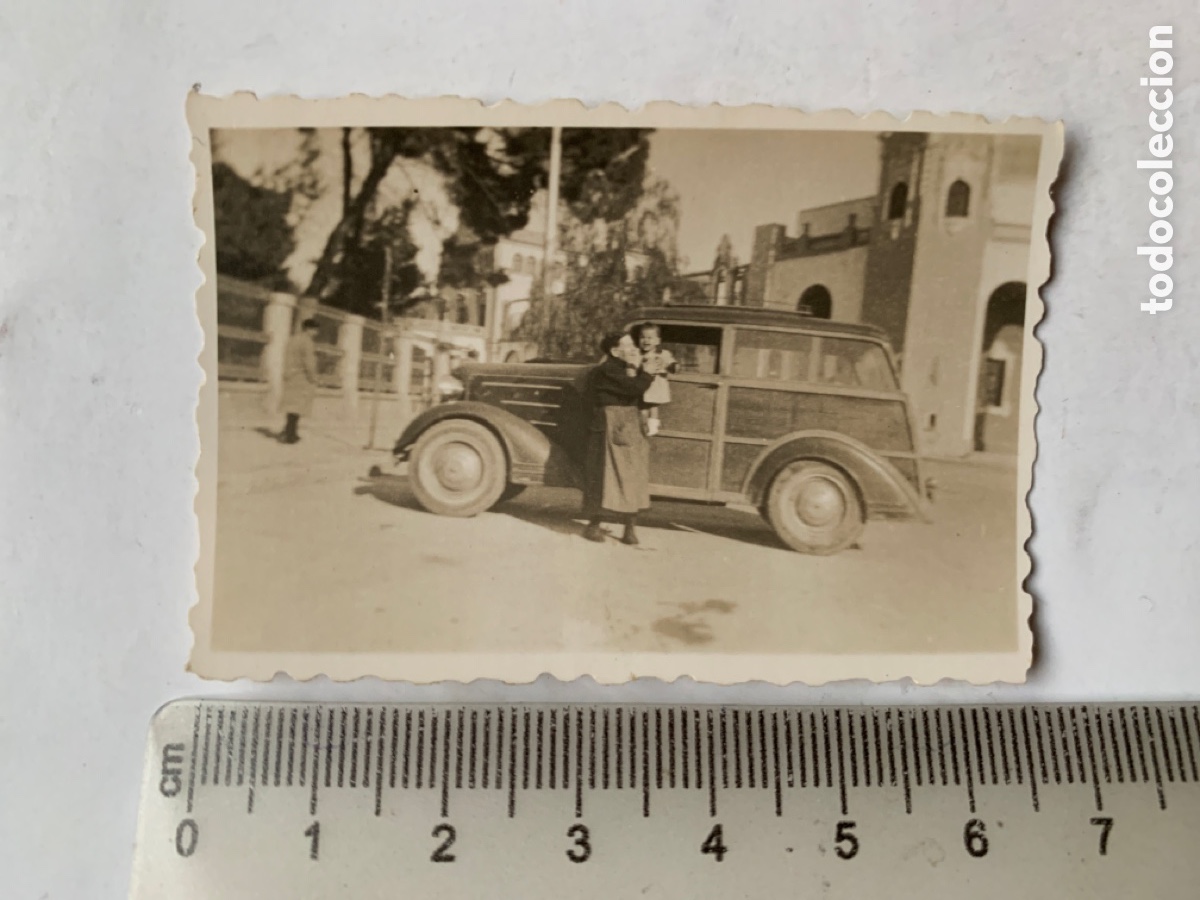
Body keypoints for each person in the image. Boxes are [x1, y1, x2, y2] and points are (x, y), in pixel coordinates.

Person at [581, 331, 661, 546]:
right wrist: (647, 374)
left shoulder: (626, 369)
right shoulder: (607, 370)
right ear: (615, 351)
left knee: (631, 476)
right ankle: (595, 526)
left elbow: (637, 394)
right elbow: (633, 388)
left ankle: (628, 529)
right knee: (606, 477)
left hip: (627, 424)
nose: (635, 348)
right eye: (628, 345)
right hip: (612, 424)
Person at [279, 318, 321, 444]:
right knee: (297, 407)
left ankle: (289, 432)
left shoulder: (293, 339)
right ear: (309, 329)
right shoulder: (307, 342)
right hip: (301, 377)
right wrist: (313, 378)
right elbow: (309, 362)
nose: (316, 332)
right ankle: (290, 435)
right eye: (315, 330)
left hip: (290, 376)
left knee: (291, 406)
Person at [632, 322, 677, 436]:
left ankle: (652, 427)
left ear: (657, 341)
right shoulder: (637, 354)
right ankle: (643, 426)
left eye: (650, 338)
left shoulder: (663, 354)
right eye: (642, 337)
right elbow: (632, 365)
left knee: (653, 406)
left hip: (656, 386)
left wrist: (669, 366)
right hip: (642, 385)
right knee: (642, 408)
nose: (645, 340)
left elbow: (672, 364)